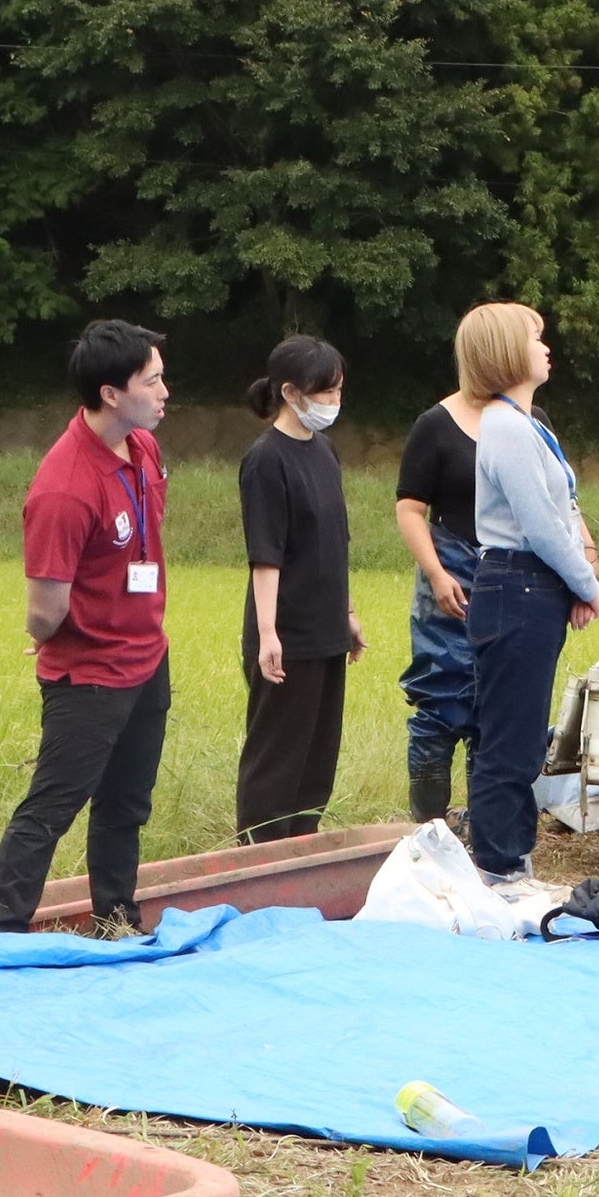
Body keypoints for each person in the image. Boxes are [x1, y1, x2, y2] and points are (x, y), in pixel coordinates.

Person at [0, 322, 175, 934]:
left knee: (126, 804)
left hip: (147, 658)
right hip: (88, 674)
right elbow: (44, 608)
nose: (165, 390)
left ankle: (117, 917)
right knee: (53, 806)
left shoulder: (142, 449)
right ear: (111, 392)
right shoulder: (64, 486)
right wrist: (51, 635)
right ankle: (5, 931)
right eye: (152, 379)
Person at [462, 302, 599, 881]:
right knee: (510, 741)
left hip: (531, 586)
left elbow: (559, 515)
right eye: (535, 337)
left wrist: (569, 580)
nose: (547, 348)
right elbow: (540, 523)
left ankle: (509, 860)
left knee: (520, 738)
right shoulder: (505, 426)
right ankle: (499, 868)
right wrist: (586, 582)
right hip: (515, 585)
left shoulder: (527, 423)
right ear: (505, 352)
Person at [238, 335, 363, 841]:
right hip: (287, 632)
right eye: (324, 393)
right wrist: (269, 633)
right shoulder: (266, 459)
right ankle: (258, 863)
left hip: (326, 627)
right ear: (290, 393)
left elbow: (334, 541)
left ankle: (301, 855)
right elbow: (266, 553)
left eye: (337, 391)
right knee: (277, 759)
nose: (333, 403)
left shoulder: (325, 450)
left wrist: (347, 612)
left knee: (316, 757)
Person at [392, 370, 492, 826]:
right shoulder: (434, 425)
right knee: (442, 704)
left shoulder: (534, 419)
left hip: (512, 576)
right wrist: (436, 573)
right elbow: (410, 508)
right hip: (451, 567)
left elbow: (561, 499)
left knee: (495, 712)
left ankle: (485, 832)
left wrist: (585, 552)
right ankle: (429, 830)